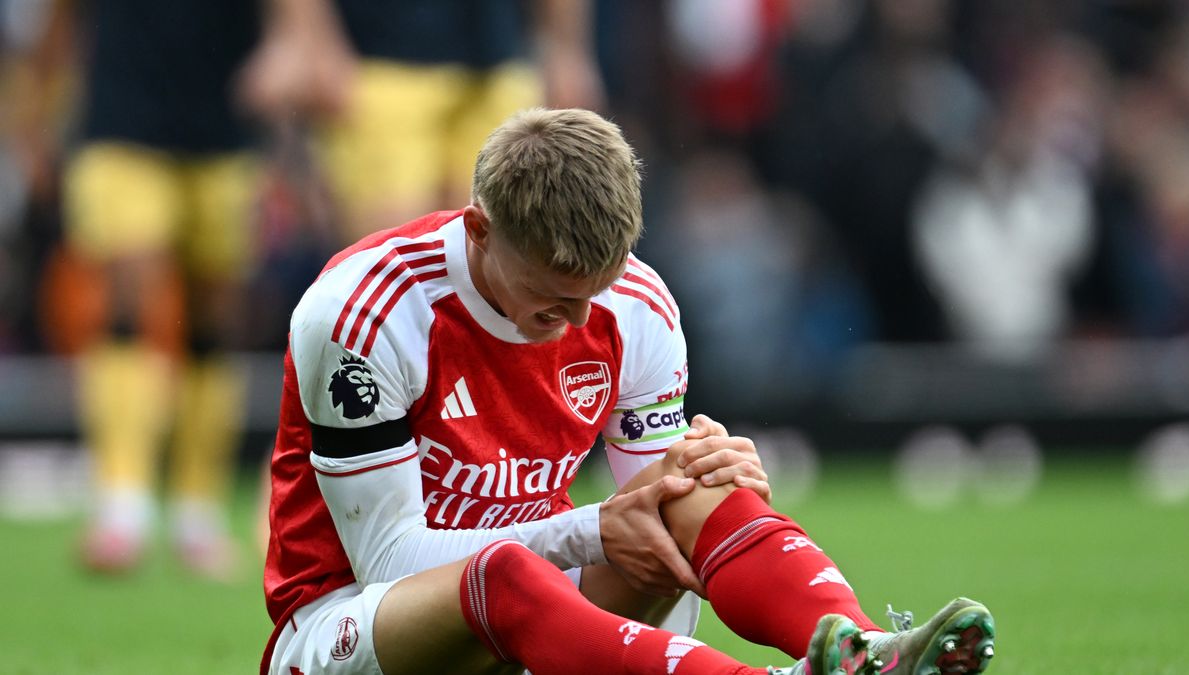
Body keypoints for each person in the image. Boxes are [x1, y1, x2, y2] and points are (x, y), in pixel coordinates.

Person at [263, 108, 996, 674]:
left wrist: (707, 479)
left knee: (685, 488)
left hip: (537, 622)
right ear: (481, 230)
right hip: (346, 629)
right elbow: (388, 561)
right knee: (503, 574)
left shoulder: (637, 303)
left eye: (596, 292)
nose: (578, 323)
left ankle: (865, 649)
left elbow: (654, 505)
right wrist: (586, 530)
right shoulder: (365, 311)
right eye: (551, 300)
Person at [38, 0, 262, 578]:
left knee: (212, 326)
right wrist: (41, 116)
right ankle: (123, 504)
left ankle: (196, 509)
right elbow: (61, 22)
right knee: (126, 307)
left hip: (224, 129)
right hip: (119, 125)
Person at [239, 0, 604, 243]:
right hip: (378, 61)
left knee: (494, 253)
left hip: (497, 61)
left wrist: (567, 48)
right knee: (390, 257)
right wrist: (303, 36)